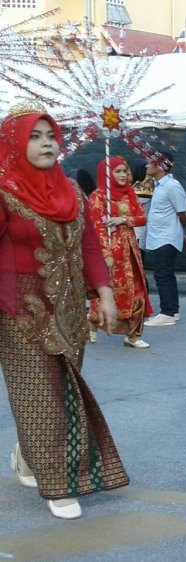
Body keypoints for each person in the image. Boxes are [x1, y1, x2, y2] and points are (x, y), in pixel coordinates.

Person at [0, 102, 129, 520]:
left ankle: (27, 456)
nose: (46, 144)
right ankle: (58, 483)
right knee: (41, 394)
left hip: (69, 307)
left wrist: (105, 294)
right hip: (20, 308)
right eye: (34, 137)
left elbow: (88, 244)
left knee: (62, 387)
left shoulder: (71, 190)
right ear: (14, 144)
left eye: (50, 136)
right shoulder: (3, 189)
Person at [87, 156, 153, 348]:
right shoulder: (98, 197)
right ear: (107, 174)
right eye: (118, 171)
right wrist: (106, 254)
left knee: (137, 290)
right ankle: (92, 322)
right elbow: (96, 227)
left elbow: (142, 217)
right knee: (109, 291)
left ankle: (133, 335)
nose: (123, 175)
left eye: (125, 171)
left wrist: (122, 219)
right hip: (110, 251)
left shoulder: (129, 193)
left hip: (130, 250)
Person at [142, 152, 186, 327]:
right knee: (166, 274)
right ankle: (173, 310)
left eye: (150, 162)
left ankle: (167, 312)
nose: (147, 165)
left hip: (167, 237)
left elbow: (184, 213)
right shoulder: (159, 185)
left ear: (162, 166)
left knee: (162, 274)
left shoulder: (172, 186)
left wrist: (179, 231)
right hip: (159, 237)